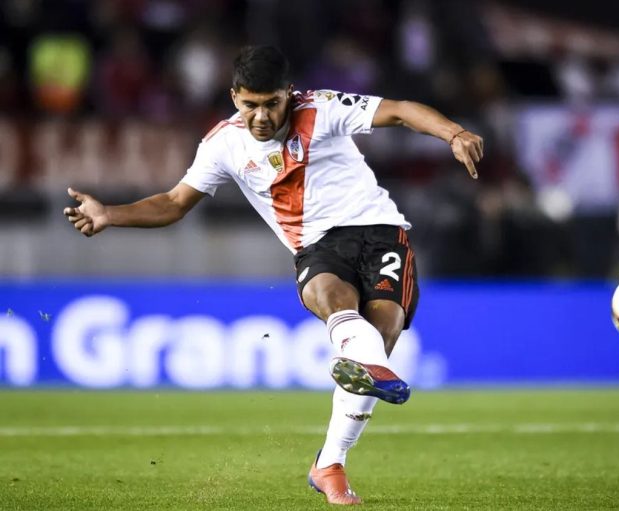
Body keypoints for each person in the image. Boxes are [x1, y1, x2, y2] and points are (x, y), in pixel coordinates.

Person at [64, 45, 483, 505]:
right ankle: (338, 448)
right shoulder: (223, 143)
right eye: (249, 105)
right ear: (234, 97)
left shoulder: (321, 107)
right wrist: (110, 214)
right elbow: (173, 203)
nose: (260, 116)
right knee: (336, 304)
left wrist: (453, 132)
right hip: (317, 247)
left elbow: (400, 112)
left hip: (381, 232)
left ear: (289, 93)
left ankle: (330, 460)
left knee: (379, 333)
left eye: (271, 103)